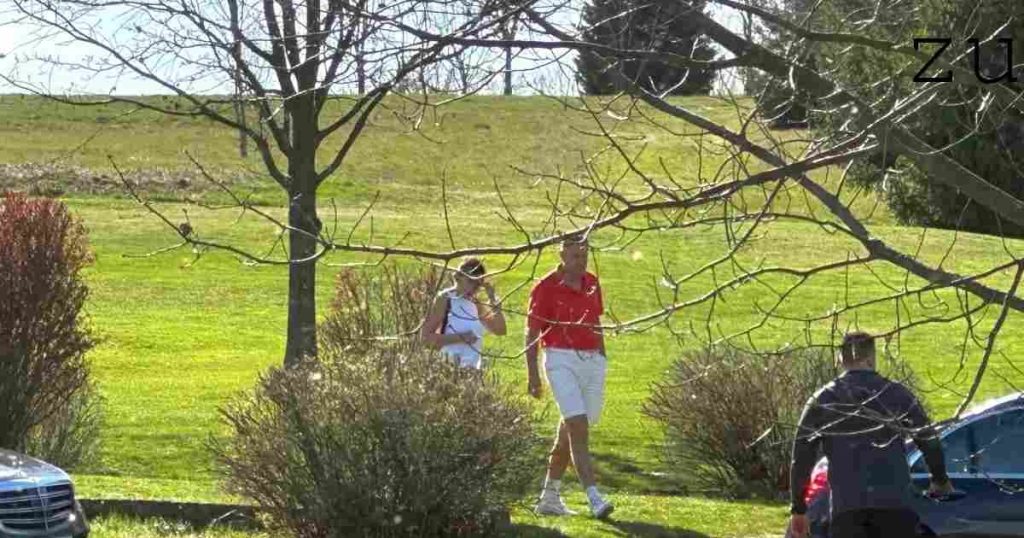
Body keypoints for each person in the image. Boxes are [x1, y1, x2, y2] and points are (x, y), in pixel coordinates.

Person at [788, 331, 955, 538]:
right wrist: (939, 479)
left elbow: (801, 457)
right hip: (894, 506)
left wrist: (798, 508)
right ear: (871, 358)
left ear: (841, 359)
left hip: (847, 508)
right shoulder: (897, 395)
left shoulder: (824, 399)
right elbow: (928, 440)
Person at [525, 233, 614, 519]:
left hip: (591, 361)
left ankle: (549, 496)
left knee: (571, 430)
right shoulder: (545, 288)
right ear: (562, 255)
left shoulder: (592, 283)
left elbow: (595, 321)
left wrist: (602, 358)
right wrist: (533, 375)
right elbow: (531, 332)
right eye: (576, 255)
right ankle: (594, 497)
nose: (581, 261)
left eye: (585, 255)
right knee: (578, 428)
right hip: (560, 358)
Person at [420, 258, 506, 369]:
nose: (477, 288)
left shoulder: (476, 303)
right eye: (473, 283)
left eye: (479, 284)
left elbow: (500, 330)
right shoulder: (446, 299)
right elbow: (425, 338)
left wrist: (493, 300)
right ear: (459, 278)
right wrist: (460, 338)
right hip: (447, 369)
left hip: (472, 372)